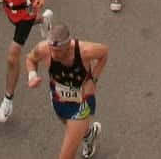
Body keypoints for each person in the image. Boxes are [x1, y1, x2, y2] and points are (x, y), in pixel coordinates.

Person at [24, 21, 106, 159]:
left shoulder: (85, 51)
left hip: (81, 102)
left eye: (58, 51)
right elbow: (30, 59)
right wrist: (32, 76)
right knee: (66, 122)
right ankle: (89, 135)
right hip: (58, 98)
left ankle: (84, 132)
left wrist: (93, 80)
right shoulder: (43, 48)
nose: (53, 54)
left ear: (68, 45)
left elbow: (104, 52)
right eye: (52, 50)